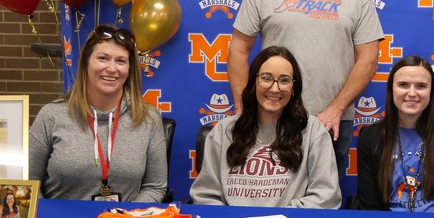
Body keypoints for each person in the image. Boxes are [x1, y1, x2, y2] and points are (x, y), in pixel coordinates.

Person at [228, 0, 384, 180]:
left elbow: (370, 58)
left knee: (323, 204)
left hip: (331, 122)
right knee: (266, 198)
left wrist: (336, 109)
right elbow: (239, 49)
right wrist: (243, 109)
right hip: (269, 116)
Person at [29, 25, 167, 202]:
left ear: (130, 69)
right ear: (86, 62)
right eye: (103, 58)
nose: (111, 68)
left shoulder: (148, 118)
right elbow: (29, 183)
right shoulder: (51, 115)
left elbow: (155, 187)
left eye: (121, 61)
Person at [191, 46, 341, 208]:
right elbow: (205, 195)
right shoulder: (224, 131)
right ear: (253, 83)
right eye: (266, 78)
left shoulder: (313, 131)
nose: (275, 88)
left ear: (293, 88)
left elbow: (326, 196)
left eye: (284, 80)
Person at [356, 56, 434, 212]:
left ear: (430, 91)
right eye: (403, 85)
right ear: (392, 89)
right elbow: (369, 205)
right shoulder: (370, 137)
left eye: (421, 86)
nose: (412, 93)